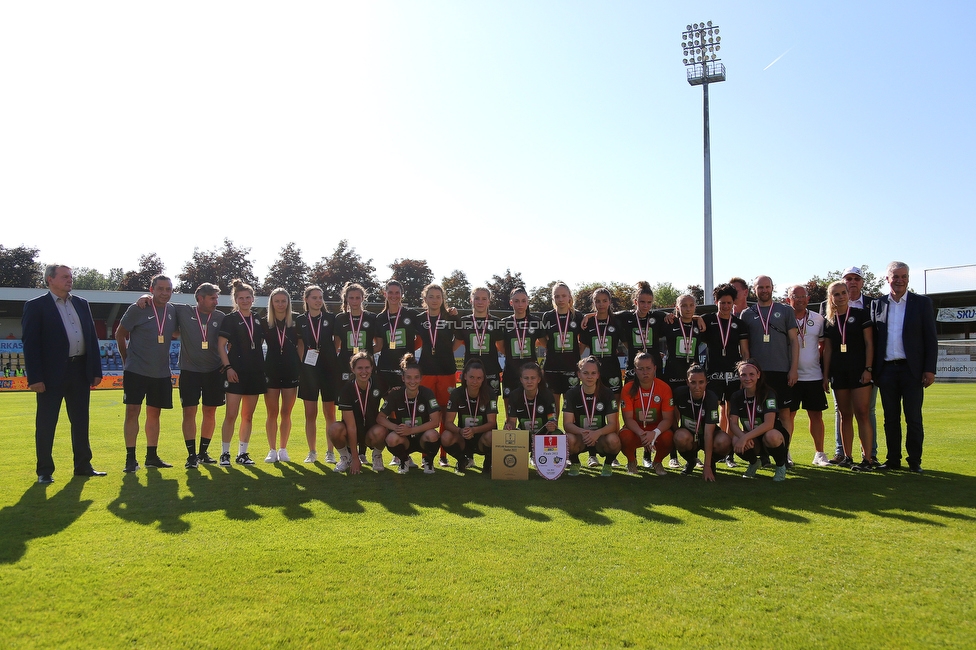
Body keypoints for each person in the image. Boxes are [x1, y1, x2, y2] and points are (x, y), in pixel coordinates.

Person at [22, 264, 105, 483]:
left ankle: (83, 465)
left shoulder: (81, 303)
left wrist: (95, 370)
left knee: (80, 421)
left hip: (79, 370)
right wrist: (35, 378)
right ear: (50, 279)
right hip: (50, 375)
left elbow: (91, 338)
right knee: (47, 422)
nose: (70, 280)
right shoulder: (36, 306)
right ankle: (45, 471)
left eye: (71, 276)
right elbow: (30, 344)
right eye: (65, 276)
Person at [136, 282, 226, 469]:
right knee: (189, 412)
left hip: (214, 372)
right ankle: (191, 455)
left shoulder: (221, 317)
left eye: (216, 298)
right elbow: (160, 302)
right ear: (200, 298)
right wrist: (145, 297)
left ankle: (203, 452)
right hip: (190, 371)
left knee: (210, 412)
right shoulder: (183, 311)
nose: (216, 302)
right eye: (212, 298)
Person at [871, 262, 937, 473]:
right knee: (890, 419)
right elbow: (874, 339)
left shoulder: (922, 303)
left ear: (908, 278)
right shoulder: (878, 304)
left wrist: (929, 369)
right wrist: (874, 370)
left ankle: (915, 461)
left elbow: (930, 339)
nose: (900, 280)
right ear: (887, 279)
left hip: (912, 370)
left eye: (904, 276)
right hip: (887, 370)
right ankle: (892, 460)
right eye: (895, 276)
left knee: (913, 418)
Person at [116, 274, 178, 472]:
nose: (164, 293)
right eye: (160, 289)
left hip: (161, 372)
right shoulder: (138, 308)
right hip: (136, 370)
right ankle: (130, 458)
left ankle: (151, 456)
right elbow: (119, 333)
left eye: (168, 289)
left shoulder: (173, 311)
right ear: (152, 290)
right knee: (132, 412)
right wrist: (126, 359)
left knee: (154, 414)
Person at [823, 266, 879, 465]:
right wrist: (825, 376)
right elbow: (827, 350)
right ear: (831, 298)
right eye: (836, 294)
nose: (840, 297)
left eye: (843, 293)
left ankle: (868, 457)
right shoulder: (828, 321)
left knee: (863, 413)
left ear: (849, 294)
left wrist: (868, 369)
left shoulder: (861, 314)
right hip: (839, 373)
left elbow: (869, 344)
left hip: (860, 371)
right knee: (844, 415)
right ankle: (847, 457)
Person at [739, 276, 799, 447]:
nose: (764, 290)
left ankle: (784, 451)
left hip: (781, 370)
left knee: (784, 413)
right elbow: (745, 346)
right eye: (760, 287)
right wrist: (746, 374)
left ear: (773, 288)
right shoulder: (747, 314)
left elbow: (794, 341)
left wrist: (793, 368)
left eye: (767, 287)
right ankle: (763, 454)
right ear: (754, 289)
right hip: (757, 374)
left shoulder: (785, 310)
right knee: (758, 414)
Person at [217, 279, 266, 466]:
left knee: (248, 416)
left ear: (253, 299)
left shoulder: (257, 319)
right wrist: (228, 368)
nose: (245, 301)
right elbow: (221, 346)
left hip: (254, 373)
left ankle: (242, 454)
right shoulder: (230, 319)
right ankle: (225, 453)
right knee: (231, 415)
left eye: (248, 297)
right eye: (241, 298)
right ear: (235, 300)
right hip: (235, 373)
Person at [701, 283, 749, 469]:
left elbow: (744, 351)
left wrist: (745, 375)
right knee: (712, 413)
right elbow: (691, 319)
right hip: (713, 375)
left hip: (733, 375)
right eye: (722, 303)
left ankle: (729, 453)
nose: (725, 306)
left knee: (731, 414)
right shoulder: (707, 319)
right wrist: (697, 318)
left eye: (729, 303)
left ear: (734, 303)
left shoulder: (739, 324)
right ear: (716, 302)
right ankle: (712, 451)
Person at [414, 283, 460, 466]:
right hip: (426, 371)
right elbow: (415, 341)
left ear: (443, 299)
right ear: (425, 299)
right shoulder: (418, 318)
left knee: (445, 412)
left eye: (438, 297)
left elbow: (461, 338)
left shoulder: (450, 317)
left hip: (447, 371)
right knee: (427, 413)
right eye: (431, 296)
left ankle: (443, 455)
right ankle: (427, 456)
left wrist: (448, 350)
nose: (435, 300)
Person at [333, 282, 379, 464]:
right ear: (346, 299)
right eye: (351, 297)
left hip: (365, 370)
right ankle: (348, 453)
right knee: (346, 409)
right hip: (345, 370)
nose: (354, 301)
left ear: (363, 299)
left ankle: (365, 452)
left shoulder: (371, 318)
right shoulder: (340, 319)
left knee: (368, 407)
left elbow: (379, 343)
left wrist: (364, 359)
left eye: (357, 297)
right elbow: (337, 344)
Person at [784, 284, 829, 467]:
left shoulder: (818, 319)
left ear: (808, 299)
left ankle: (819, 453)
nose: (800, 300)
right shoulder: (784, 319)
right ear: (788, 300)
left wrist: (825, 374)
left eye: (803, 296)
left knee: (816, 416)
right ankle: (785, 452)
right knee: (788, 416)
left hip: (814, 376)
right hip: (791, 376)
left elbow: (823, 347)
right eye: (796, 296)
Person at [295, 285, 338, 464]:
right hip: (309, 371)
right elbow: (300, 345)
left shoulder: (330, 318)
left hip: (328, 370)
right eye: (314, 297)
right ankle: (312, 451)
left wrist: (330, 358)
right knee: (310, 413)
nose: (318, 300)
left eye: (320, 297)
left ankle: (330, 451)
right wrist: (304, 365)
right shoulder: (300, 320)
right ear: (306, 299)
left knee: (330, 413)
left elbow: (337, 342)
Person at [379, 354, 443, 474]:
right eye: (408, 378)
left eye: (416, 377)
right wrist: (396, 428)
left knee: (433, 435)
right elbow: (380, 418)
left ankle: (428, 461)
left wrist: (412, 430)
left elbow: (435, 421)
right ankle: (404, 460)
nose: (412, 381)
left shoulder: (427, 393)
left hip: (422, 436)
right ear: (403, 378)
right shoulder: (395, 394)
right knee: (391, 439)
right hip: (403, 437)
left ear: (421, 378)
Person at [728, 359, 790, 481]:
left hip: (772, 436)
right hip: (753, 439)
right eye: (743, 375)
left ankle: (780, 465)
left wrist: (745, 437)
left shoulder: (768, 394)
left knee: (771, 436)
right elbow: (733, 423)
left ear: (758, 375)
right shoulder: (736, 396)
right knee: (735, 439)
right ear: (739, 376)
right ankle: (754, 462)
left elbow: (769, 424)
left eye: (751, 374)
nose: (747, 378)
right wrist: (742, 436)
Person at [562, 356, 621, 477]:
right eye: (585, 373)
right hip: (581, 437)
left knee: (614, 440)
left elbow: (613, 424)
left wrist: (597, 433)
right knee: (567, 439)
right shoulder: (571, 393)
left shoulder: (607, 393)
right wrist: (583, 432)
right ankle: (575, 463)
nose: (589, 376)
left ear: (598, 375)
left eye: (593, 373)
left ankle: (608, 464)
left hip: (600, 438)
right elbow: (567, 424)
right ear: (579, 374)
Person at [329, 352, 388, 474]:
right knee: (334, 429)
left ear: (372, 368)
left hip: (371, 432)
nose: (364, 372)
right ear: (353, 369)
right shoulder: (346, 390)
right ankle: (346, 458)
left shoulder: (378, 382)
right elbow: (351, 426)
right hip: (351, 431)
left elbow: (391, 403)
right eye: (360, 368)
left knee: (382, 429)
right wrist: (355, 458)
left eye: (367, 367)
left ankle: (376, 456)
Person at [619, 352, 674, 476]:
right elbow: (627, 419)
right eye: (641, 369)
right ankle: (631, 461)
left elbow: (668, 419)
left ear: (655, 368)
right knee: (624, 436)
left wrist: (654, 433)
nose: (645, 372)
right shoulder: (628, 388)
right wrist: (642, 434)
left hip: (655, 430)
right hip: (636, 431)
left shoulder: (664, 388)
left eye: (648, 368)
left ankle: (657, 461)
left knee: (669, 436)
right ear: (635, 370)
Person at [262, 287, 301, 463]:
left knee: (286, 412)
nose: (280, 304)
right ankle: (271, 449)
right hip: (271, 370)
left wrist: (299, 364)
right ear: (271, 303)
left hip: (290, 370)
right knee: (272, 412)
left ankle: (283, 449)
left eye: (283, 301)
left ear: (288, 303)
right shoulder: (265, 322)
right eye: (276, 301)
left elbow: (301, 345)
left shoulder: (296, 321)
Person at [673, 365, 731, 481]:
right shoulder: (679, 393)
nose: (697, 387)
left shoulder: (711, 398)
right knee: (679, 437)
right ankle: (691, 461)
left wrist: (707, 466)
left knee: (724, 440)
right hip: (689, 436)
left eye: (701, 382)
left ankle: (712, 463)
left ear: (706, 382)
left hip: (708, 436)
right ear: (687, 382)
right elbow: (673, 419)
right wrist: (676, 434)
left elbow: (709, 434)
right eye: (693, 382)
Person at [442, 359, 499, 474]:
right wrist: (460, 430)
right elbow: (448, 422)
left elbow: (492, 423)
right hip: (463, 437)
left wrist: (474, 430)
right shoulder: (457, 393)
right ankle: (461, 459)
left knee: (493, 435)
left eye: (479, 378)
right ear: (465, 377)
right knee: (446, 436)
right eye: (472, 377)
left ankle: (488, 462)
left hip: (482, 438)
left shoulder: (490, 393)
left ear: (483, 379)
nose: (475, 381)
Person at [539, 281, 583, 417]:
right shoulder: (548, 316)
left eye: (564, 296)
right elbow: (542, 338)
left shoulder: (578, 316)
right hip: (552, 367)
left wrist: (575, 353)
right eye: (557, 296)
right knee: (553, 405)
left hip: (572, 367)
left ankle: (570, 435)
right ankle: (555, 433)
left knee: (571, 405)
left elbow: (582, 341)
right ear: (553, 298)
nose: (560, 299)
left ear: (570, 296)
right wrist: (552, 348)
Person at [503, 362, 559, 462]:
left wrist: (552, 424)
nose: (529, 381)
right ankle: (514, 462)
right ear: (521, 380)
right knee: (508, 433)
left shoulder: (547, 395)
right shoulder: (515, 395)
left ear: (539, 379)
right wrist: (509, 426)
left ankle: (556, 461)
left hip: (543, 436)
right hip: (524, 437)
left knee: (559, 435)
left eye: (533, 378)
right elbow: (512, 421)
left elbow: (552, 419)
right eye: (526, 378)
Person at [499, 287, 545, 401]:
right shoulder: (505, 323)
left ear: (528, 302)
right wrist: (511, 355)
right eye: (516, 301)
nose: (520, 304)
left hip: (531, 373)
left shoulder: (535, 322)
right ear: (511, 302)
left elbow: (544, 343)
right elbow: (500, 346)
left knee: (533, 409)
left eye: (523, 301)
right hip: (511, 372)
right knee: (510, 414)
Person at [458, 287, 504, 397]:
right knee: (469, 407)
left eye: (484, 299)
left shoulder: (496, 322)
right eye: (477, 298)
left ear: (489, 301)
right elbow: (453, 346)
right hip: (470, 372)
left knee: (491, 409)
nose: (480, 302)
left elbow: (502, 348)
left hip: (491, 370)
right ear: (471, 300)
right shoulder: (464, 321)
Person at [578, 287, 625, 395]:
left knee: (614, 407)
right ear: (594, 303)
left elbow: (629, 346)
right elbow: (580, 349)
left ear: (610, 302)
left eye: (604, 301)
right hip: (593, 370)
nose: (601, 304)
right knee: (595, 406)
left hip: (612, 368)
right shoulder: (588, 323)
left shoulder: (616, 321)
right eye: (597, 301)